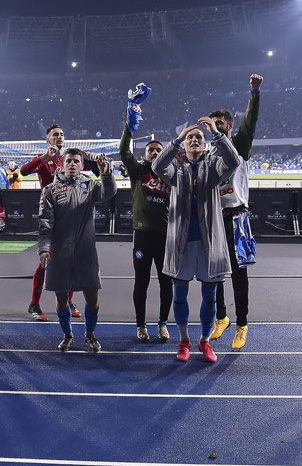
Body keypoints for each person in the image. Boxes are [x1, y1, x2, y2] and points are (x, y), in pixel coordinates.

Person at [151, 118, 241, 363]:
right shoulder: (176, 168)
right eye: (190, 137)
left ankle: (204, 340)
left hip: (208, 244)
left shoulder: (213, 167)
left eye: (198, 138)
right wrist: (177, 140)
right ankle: (183, 340)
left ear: (204, 144)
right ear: (185, 143)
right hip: (180, 244)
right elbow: (157, 166)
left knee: (210, 297)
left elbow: (234, 161)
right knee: (179, 296)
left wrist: (216, 134)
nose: (194, 140)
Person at [37, 149, 116, 352]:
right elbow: (45, 223)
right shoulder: (50, 190)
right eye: (69, 161)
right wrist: (44, 248)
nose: (72, 164)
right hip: (59, 252)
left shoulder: (89, 184)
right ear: (63, 165)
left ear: (82, 165)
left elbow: (109, 193)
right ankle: (67, 335)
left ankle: (90, 334)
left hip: (86, 252)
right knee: (62, 297)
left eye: (76, 161)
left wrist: (106, 174)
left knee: (92, 296)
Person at [208, 74, 262, 350]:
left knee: (239, 273)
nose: (216, 128)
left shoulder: (239, 144)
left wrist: (254, 93)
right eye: (213, 124)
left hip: (237, 215)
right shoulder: (209, 153)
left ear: (229, 126)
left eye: (221, 124)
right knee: (216, 271)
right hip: (215, 217)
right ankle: (221, 318)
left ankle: (242, 323)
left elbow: (250, 125)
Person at [20, 124, 95, 321]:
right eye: (55, 135)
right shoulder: (44, 160)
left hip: (71, 215)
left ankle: (68, 301)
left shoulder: (69, 159)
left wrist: (90, 157)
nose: (59, 137)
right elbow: (24, 171)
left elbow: (91, 168)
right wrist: (45, 156)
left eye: (62, 134)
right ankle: (34, 304)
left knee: (71, 261)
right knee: (45, 262)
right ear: (47, 139)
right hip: (51, 215)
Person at [117, 83, 173, 343]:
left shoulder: (172, 174)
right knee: (141, 282)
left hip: (165, 236)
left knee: (166, 282)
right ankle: (141, 325)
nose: (154, 151)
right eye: (150, 149)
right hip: (141, 235)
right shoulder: (138, 171)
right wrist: (129, 124)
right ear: (145, 154)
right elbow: (123, 151)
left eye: (158, 150)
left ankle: (162, 323)